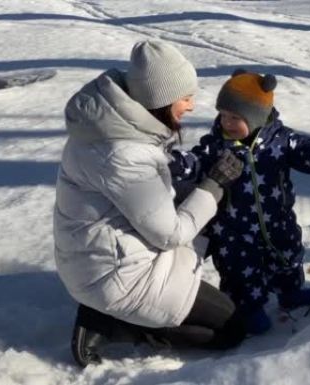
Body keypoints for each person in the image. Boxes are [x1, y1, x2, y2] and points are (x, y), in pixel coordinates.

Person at [53, 40, 247, 368]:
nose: (191, 106)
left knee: (199, 201)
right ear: (159, 100)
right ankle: (113, 323)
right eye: (185, 98)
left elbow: (144, 199)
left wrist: (197, 191)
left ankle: (111, 311)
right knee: (232, 331)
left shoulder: (109, 126)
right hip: (117, 278)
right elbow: (168, 235)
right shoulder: (124, 153)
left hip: (94, 259)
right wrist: (213, 187)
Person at [170, 69, 310, 334]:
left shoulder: (282, 142)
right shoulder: (217, 146)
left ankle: (290, 292)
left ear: (256, 116)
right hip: (234, 230)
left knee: (288, 257)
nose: (227, 122)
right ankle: (247, 308)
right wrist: (174, 164)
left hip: (278, 221)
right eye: (223, 115)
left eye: (235, 117)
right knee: (239, 271)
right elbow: (196, 161)